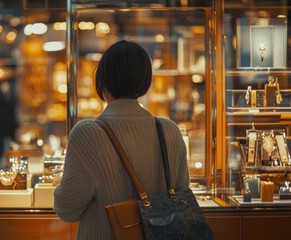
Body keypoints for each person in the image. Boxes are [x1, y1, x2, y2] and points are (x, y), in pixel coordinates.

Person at [54, 40, 190, 239]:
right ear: (145, 81)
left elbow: (67, 210)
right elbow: (182, 199)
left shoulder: (87, 134)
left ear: (102, 81)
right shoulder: (169, 130)